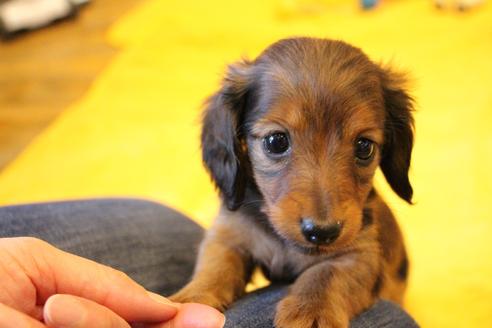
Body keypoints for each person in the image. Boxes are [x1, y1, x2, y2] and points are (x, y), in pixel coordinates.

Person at [0, 198, 419, 328]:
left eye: (362, 148)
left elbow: (360, 260)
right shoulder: (242, 203)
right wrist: (204, 291)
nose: (323, 214)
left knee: (171, 231)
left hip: (377, 273)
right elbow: (227, 242)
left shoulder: (354, 222)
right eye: (276, 143)